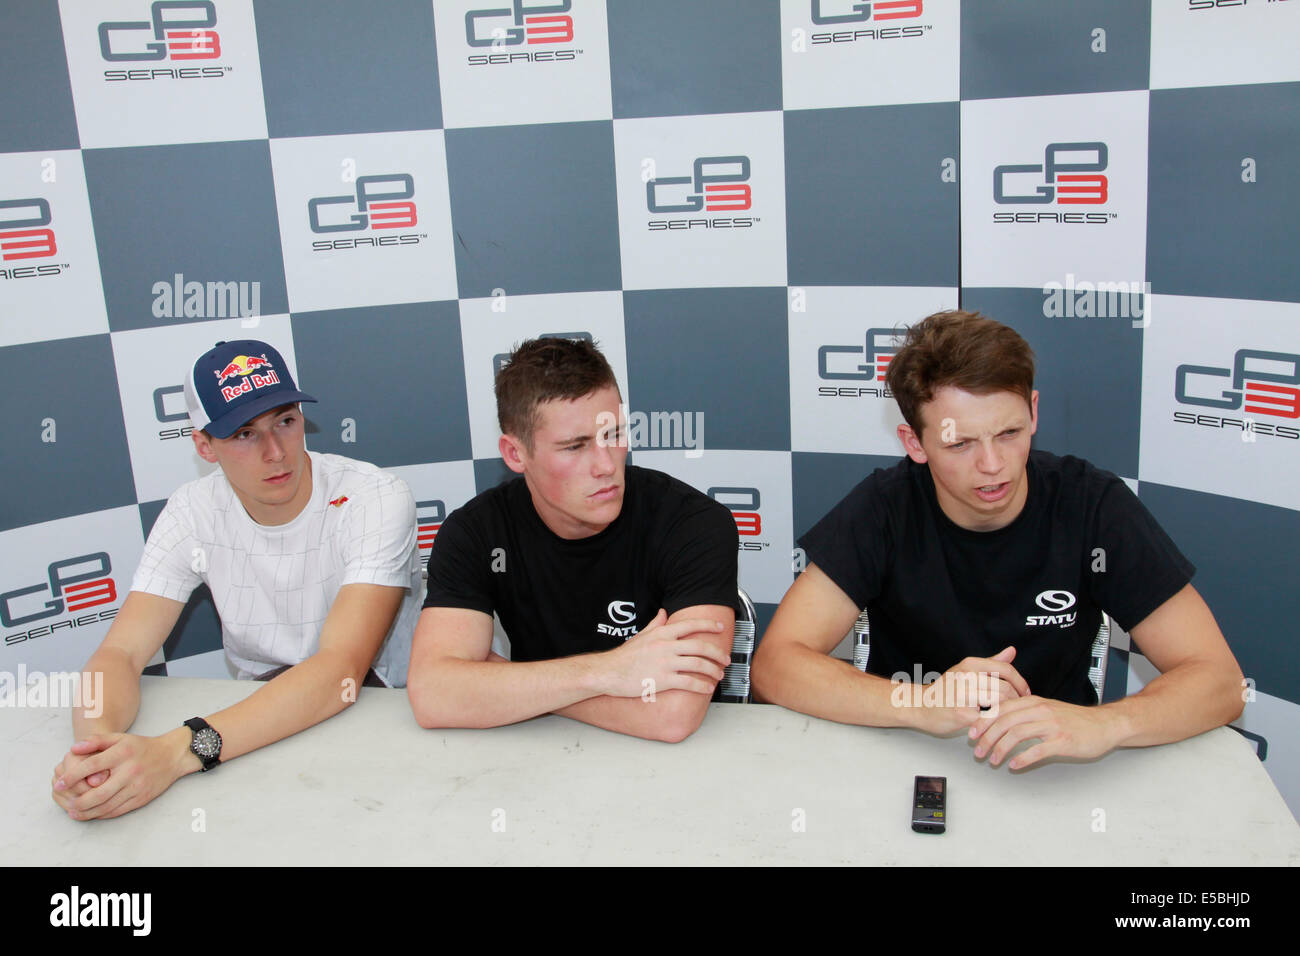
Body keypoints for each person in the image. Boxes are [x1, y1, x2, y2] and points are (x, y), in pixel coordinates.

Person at [752, 310, 1244, 769]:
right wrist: (920, 703)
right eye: (960, 443)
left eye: (1008, 433)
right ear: (914, 444)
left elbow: (1221, 682)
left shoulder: (1092, 503)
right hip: (910, 750)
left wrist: (1106, 723)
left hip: (1053, 760)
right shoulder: (885, 507)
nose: (992, 465)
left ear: (1033, 411)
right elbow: (776, 665)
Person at [50, 339, 422, 819]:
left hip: (386, 704)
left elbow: (340, 671)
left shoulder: (374, 496)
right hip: (257, 719)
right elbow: (119, 653)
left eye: (286, 422)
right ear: (204, 446)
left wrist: (173, 753)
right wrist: (97, 755)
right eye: (244, 434)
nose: (275, 452)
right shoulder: (191, 510)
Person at [407, 337, 737, 743]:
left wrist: (504, 684)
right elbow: (433, 696)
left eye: (613, 433)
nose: (606, 466)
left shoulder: (694, 523)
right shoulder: (476, 532)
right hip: (536, 762)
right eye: (575, 446)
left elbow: (671, 716)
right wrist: (610, 672)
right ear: (515, 454)